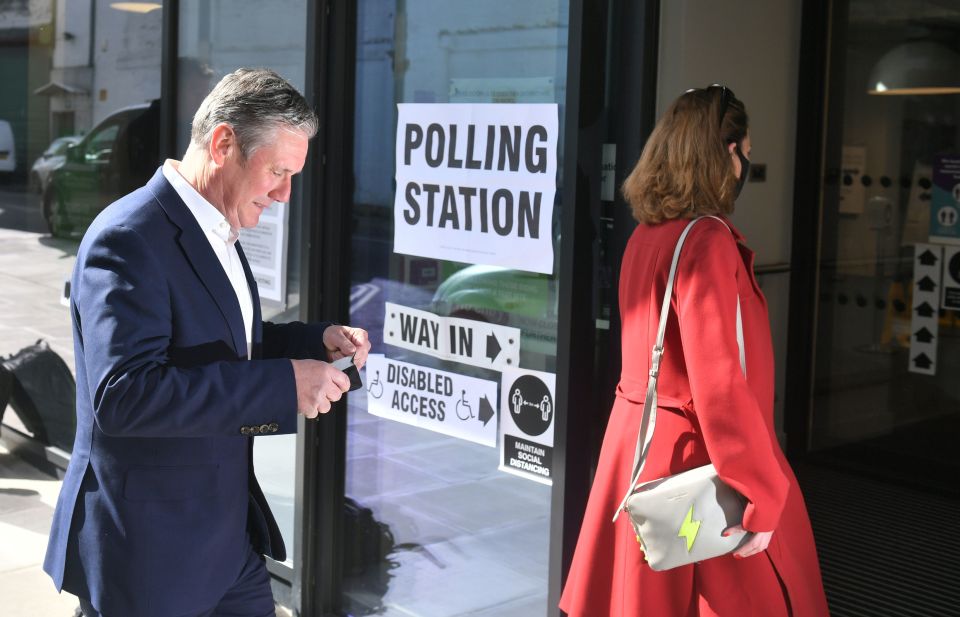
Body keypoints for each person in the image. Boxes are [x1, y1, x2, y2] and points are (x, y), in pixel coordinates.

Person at [43, 68, 371, 617]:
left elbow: (222, 344)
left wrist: (314, 343)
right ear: (223, 144)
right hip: (149, 551)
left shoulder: (216, 223)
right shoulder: (127, 237)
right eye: (278, 172)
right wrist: (282, 385)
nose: (285, 194)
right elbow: (124, 396)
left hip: (225, 541)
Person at [560, 85, 829, 616]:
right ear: (727, 152)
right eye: (746, 151)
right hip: (696, 459)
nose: (746, 164)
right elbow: (721, 383)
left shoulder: (648, 233)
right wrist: (760, 490)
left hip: (638, 448)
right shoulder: (707, 239)